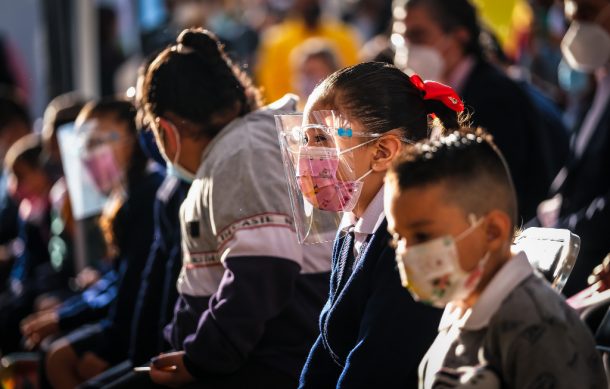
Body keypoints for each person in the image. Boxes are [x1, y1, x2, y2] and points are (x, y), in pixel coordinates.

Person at [140, 28, 331, 388]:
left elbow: (265, 267)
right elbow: (203, 286)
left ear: (166, 128)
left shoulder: (241, 152)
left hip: (280, 365)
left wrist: (203, 359)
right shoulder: (235, 151)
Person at [384, 128, 607, 388]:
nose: (405, 252)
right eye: (398, 237)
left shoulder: (541, 327)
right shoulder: (460, 305)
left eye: (422, 236)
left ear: (492, 231)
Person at [295, 62, 464, 388]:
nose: (307, 154)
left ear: (383, 151)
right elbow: (329, 345)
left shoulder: (416, 241)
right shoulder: (354, 226)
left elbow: (380, 366)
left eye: (322, 138)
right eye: (305, 139)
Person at [394, 0, 554, 221]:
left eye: (419, 35)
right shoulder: (438, 94)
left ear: (459, 36)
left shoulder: (495, 95)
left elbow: (504, 184)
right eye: (402, 38)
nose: (408, 48)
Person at [42, 99, 163, 389]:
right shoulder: (124, 197)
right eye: (84, 146)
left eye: (98, 141)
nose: (88, 157)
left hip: (148, 337)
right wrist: (64, 315)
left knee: (59, 358)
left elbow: (139, 286)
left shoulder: (149, 194)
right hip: (129, 327)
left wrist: (107, 347)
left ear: (133, 138)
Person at [534, 0, 610, 297]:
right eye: (572, 19)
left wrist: (560, 232)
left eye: (589, 14)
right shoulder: (598, 81)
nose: (579, 29)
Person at [0, 134, 55, 355]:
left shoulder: (55, 207)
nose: (15, 187)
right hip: (25, 284)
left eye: (21, 176)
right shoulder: (28, 212)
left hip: (44, 286)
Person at [256, 0, 360, 102]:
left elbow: (354, 78)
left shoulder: (344, 36)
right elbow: (270, 86)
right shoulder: (276, 40)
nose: (309, 3)